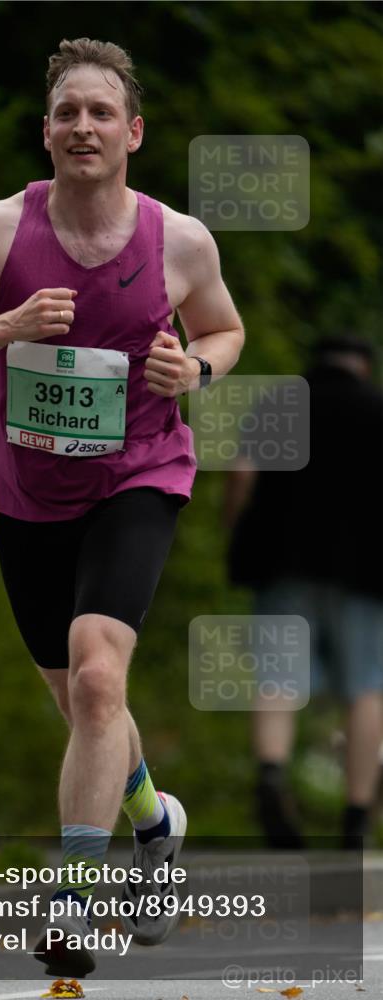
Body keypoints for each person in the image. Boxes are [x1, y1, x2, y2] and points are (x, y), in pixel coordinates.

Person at [0, 38, 244, 976]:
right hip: (25, 491)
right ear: (44, 133)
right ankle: (155, 822)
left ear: (132, 132)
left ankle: (75, 900)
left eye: (100, 112)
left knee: (99, 678)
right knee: (79, 700)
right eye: (65, 113)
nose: (82, 126)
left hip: (139, 471)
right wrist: (6, 326)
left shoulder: (178, 239)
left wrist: (198, 367)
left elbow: (222, 322)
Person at [226, 335, 383, 850]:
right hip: (365, 574)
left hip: (283, 562)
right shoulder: (377, 409)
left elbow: (243, 474)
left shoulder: (280, 402)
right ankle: (357, 814)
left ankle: (272, 772)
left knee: (278, 675)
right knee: (366, 687)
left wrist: (236, 527)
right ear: (363, 366)